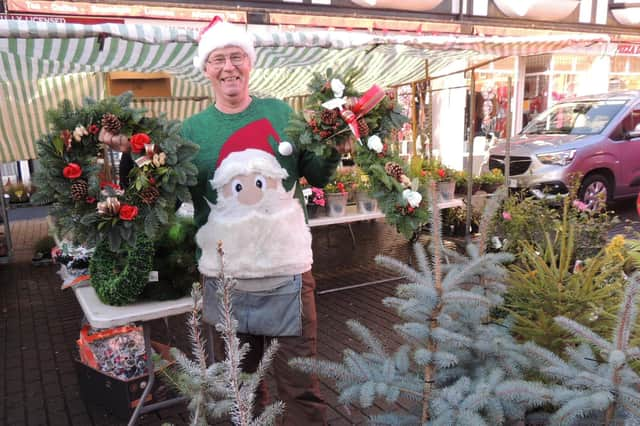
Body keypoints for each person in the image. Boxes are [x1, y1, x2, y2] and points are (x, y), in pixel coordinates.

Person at [100, 17, 350, 425]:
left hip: (287, 274)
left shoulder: (282, 112)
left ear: (250, 63)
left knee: (299, 386)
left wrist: (335, 143)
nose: (229, 67)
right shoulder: (190, 131)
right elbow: (154, 189)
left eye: (237, 56)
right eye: (219, 59)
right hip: (226, 278)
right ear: (206, 68)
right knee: (239, 388)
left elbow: (319, 175)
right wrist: (131, 151)